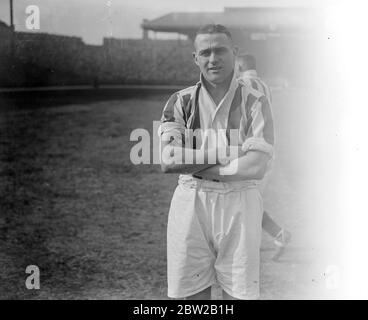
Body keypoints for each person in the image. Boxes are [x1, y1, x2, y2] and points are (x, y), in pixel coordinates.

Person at [158, 24, 273, 300]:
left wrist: (195, 161)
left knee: (240, 294)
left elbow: (255, 166)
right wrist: (225, 152)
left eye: (220, 50)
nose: (213, 58)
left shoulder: (255, 101)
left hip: (240, 200)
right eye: (205, 52)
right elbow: (169, 160)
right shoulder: (180, 101)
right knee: (192, 297)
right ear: (195, 58)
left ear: (234, 53)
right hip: (191, 200)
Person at [237, 54, 291, 261]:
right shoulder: (265, 86)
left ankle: (277, 234)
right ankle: (256, 240)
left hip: (252, 150)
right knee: (248, 199)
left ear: (239, 65)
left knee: (244, 200)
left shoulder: (241, 84)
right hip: (267, 150)